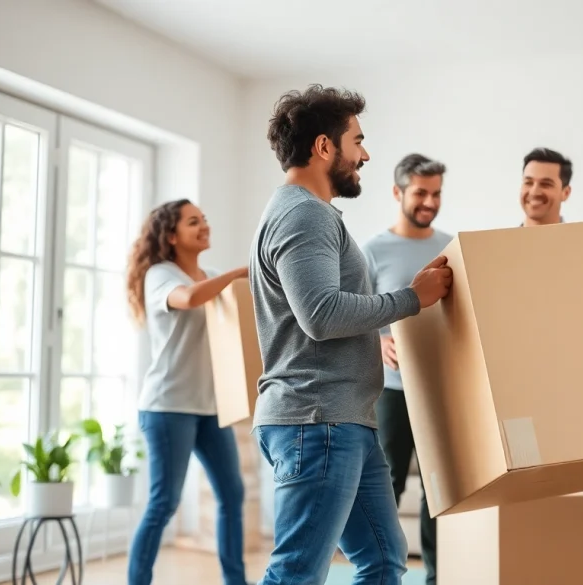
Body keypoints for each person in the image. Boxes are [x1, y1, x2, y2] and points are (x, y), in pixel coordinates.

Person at [250, 85, 453, 585]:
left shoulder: (310, 214)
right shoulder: (303, 214)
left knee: (384, 562)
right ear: (324, 147)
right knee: (297, 572)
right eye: (357, 141)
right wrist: (413, 298)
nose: (364, 154)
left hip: (344, 423)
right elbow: (319, 314)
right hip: (316, 423)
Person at [125, 199, 249, 585]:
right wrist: (236, 274)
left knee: (232, 494)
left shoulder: (210, 274)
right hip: (167, 407)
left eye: (205, 219)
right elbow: (189, 297)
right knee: (165, 503)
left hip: (209, 407)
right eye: (194, 222)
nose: (204, 226)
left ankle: (236, 582)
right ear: (171, 235)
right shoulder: (161, 275)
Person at [361, 153, 451, 585]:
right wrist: (377, 343)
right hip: (393, 391)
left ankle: (437, 577)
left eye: (436, 193)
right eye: (420, 192)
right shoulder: (372, 251)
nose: (429, 201)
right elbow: (354, 316)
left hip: (444, 391)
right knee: (389, 485)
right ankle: (384, 573)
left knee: (440, 488)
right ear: (397, 192)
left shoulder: (452, 247)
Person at [519, 147, 571, 226]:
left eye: (546, 184)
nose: (534, 192)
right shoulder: (499, 238)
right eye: (528, 183)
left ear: (565, 193)